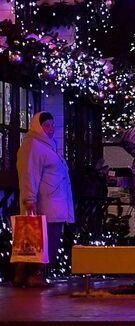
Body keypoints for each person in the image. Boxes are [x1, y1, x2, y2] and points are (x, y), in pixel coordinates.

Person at [16, 111, 74, 288]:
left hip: (54, 202)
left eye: (51, 125)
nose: (50, 129)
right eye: (46, 125)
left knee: (41, 238)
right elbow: (29, 174)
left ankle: (24, 274)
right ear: (38, 126)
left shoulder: (48, 146)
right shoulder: (33, 145)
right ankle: (34, 274)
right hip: (44, 203)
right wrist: (29, 199)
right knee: (41, 238)